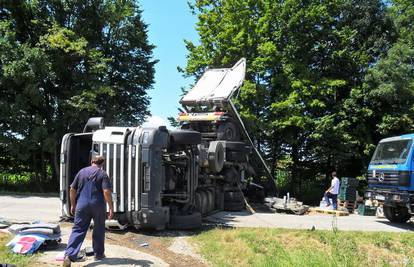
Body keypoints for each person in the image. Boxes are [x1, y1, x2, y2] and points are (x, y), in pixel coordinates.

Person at [63, 155, 114, 267]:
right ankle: (99, 254)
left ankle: (69, 255)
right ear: (102, 163)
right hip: (98, 205)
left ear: (91, 161)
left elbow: (72, 189)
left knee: (78, 229)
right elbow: (106, 191)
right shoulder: (103, 174)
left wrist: (73, 204)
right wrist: (111, 207)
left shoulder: (81, 172)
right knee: (99, 228)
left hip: (82, 205)